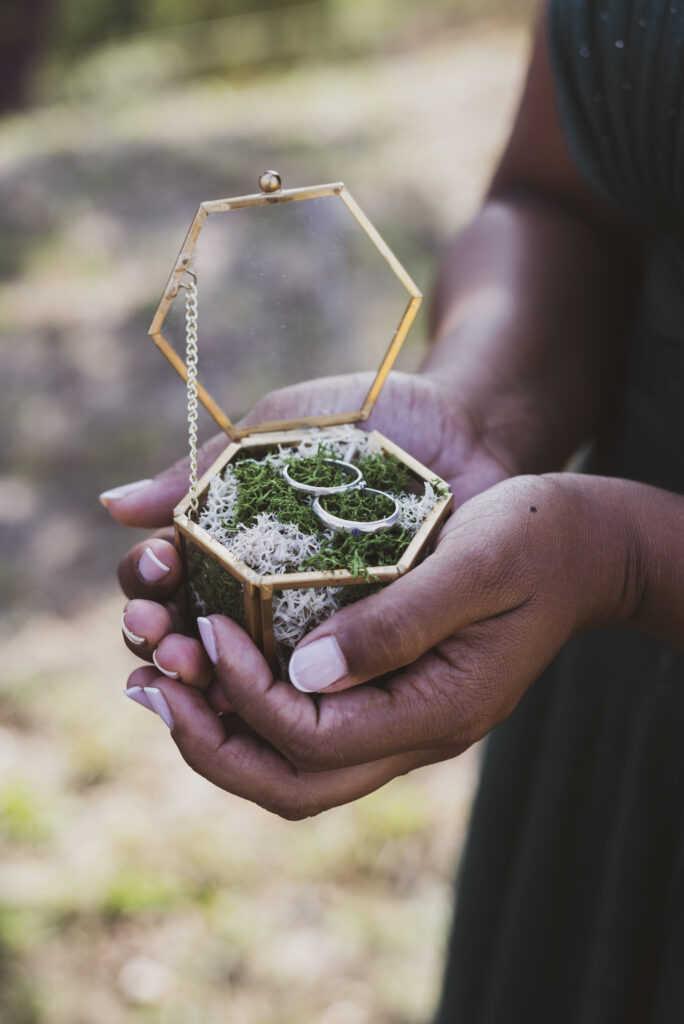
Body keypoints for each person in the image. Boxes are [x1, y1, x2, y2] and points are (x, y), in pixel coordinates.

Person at [100, 0, 684, 1017]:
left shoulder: (599, 559)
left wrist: (628, 558)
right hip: (598, 702)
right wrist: (480, 409)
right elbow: (563, 201)